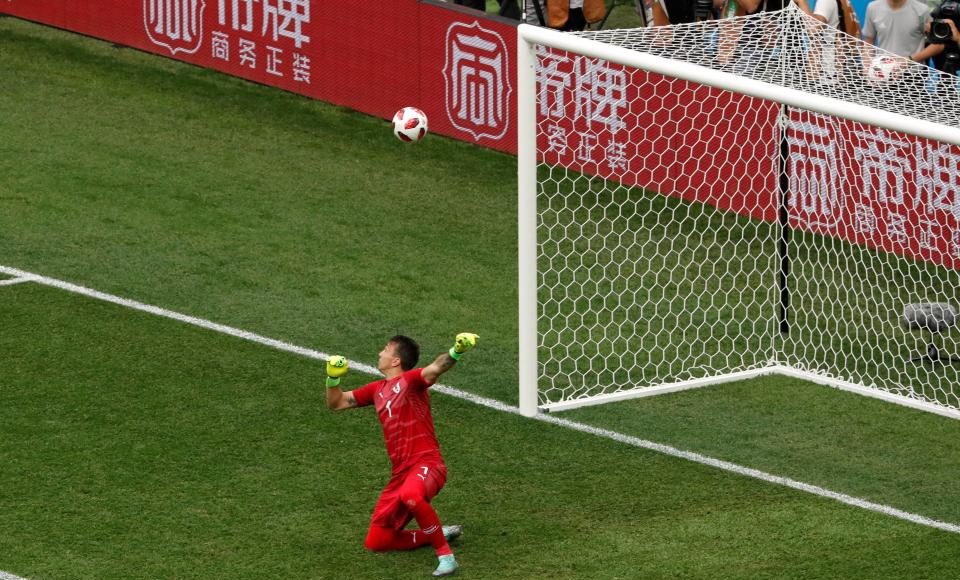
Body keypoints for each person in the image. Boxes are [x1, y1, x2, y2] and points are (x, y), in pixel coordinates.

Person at [325, 332, 479, 578]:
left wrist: (456, 350)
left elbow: (436, 368)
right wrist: (333, 379)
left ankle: (446, 556)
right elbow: (337, 403)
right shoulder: (376, 390)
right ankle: (436, 532)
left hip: (427, 463)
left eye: (386, 349)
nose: (380, 353)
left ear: (396, 360)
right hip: (401, 473)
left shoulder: (410, 381)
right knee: (377, 541)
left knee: (411, 495)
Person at [862, 0, 930, 58]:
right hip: (882, 67)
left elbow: (935, 45)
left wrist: (910, 60)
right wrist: (867, 66)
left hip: (914, 69)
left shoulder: (922, 10)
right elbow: (869, 42)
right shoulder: (873, 8)